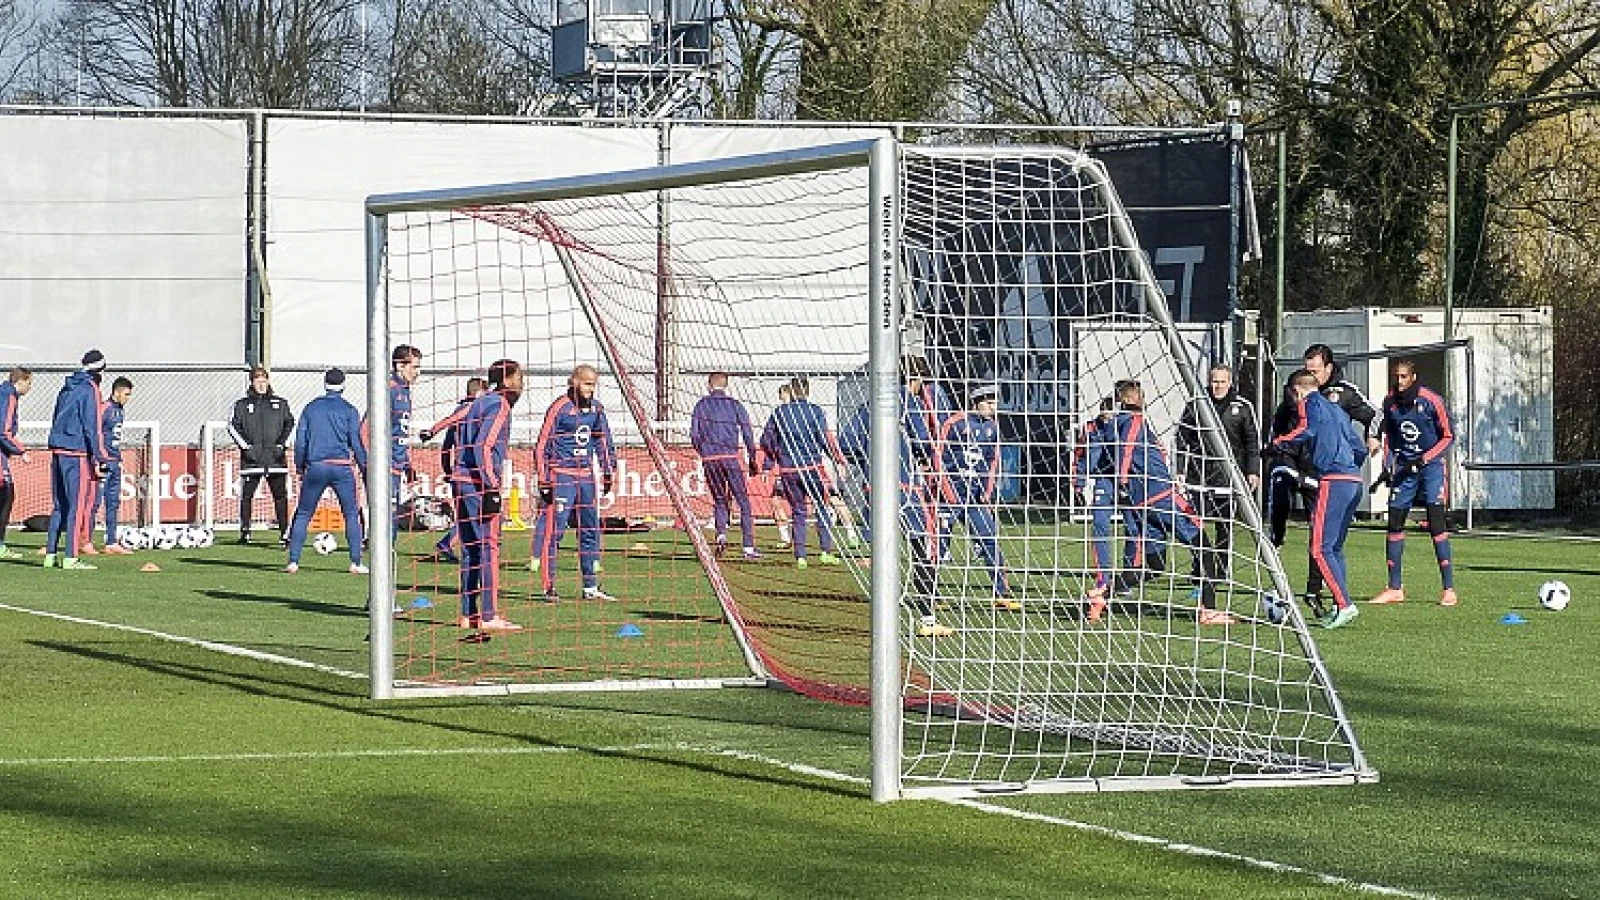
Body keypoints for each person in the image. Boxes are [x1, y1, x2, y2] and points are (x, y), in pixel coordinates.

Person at [1085, 379, 1227, 624]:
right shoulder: (1133, 421)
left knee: (1154, 565)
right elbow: (1127, 452)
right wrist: (1121, 482)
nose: (1144, 399)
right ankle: (1209, 610)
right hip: (1160, 495)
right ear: (1131, 399)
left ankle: (1101, 595)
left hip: (1143, 502)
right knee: (1203, 544)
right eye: (1140, 395)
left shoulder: (1113, 424)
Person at [1272, 368, 1368, 629]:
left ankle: (1346, 605)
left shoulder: (1308, 403)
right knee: (1334, 548)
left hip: (1333, 481)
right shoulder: (1336, 410)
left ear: (1296, 390)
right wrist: (1350, 466)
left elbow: (1306, 429)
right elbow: (1359, 447)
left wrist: (1278, 442)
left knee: (1319, 548)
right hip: (1353, 481)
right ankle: (1341, 604)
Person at [1370, 359, 1458, 607]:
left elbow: (1448, 436)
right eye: (1395, 377)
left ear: (1413, 377)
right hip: (1405, 469)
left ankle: (1448, 589)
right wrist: (1388, 465)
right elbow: (1389, 436)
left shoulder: (1431, 400)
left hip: (1430, 468)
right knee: (1395, 522)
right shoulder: (1390, 403)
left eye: (1403, 377)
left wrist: (1424, 459)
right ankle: (1394, 587)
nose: (1399, 382)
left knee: (1436, 521)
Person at [531, 364, 618, 601]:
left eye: (593, 385)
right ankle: (549, 588)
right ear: (574, 382)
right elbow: (541, 445)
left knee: (590, 529)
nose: (591, 389)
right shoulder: (559, 408)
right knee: (555, 532)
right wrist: (543, 480)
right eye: (587, 383)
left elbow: (603, 441)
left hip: (587, 477)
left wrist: (609, 473)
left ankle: (590, 587)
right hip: (561, 476)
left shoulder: (597, 410)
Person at [1175, 365, 1261, 596]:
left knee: (1224, 528)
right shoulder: (1197, 404)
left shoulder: (1243, 407)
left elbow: (1252, 442)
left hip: (1228, 478)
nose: (1218, 386)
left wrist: (1253, 471)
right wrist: (1181, 469)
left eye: (1222, 382)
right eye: (1214, 381)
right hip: (1198, 475)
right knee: (1196, 527)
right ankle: (1200, 573)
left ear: (1230, 382)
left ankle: (1221, 572)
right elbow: (1182, 438)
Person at [453, 361, 524, 634]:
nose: (521, 383)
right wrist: (492, 484)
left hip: (460, 479)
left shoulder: (478, 403)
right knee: (489, 547)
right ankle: (489, 615)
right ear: (507, 381)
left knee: (470, 548)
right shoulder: (500, 405)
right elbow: (483, 445)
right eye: (519, 377)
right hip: (477, 483)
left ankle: (468, 614)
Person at [935, 384, 1017, 609]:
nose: (993, 408)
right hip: (950, 495)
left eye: (995, 404)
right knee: (939, 544)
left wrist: (987, 493)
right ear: (976, 402)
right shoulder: (954, 423)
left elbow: (993, 461)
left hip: (975, 497)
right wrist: (947, 490)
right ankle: (930, 594)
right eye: (989, 403)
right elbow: (939, 457)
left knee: (989, 539)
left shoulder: (993, 428)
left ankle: (1001, 593)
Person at [284, 369, 367, 575]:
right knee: (350, 514)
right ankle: (355, 562)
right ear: (343, 385)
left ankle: (293, 561)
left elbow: (301, 441)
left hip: (316, 466)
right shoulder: (349, 410)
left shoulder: (311, 409)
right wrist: (364, 465)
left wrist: (300, 466)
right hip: (341, 466)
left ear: (325, 384)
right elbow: (356, 442)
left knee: (304, 513)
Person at [759, 376, 846, 569]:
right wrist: (838, 460)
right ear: (807, 391)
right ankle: (825, 552)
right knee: (821, 507)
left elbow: (766, 439)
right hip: (811, 468)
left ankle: (800, 557)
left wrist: (770, 463)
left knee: (798, 511)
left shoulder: (779, 412)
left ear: (791, 391)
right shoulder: (815, 411)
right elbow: (826, 439)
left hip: (788, 470)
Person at [1072, 395, 1147, 604]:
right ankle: (1103, 578)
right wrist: (1078, 481)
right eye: (1105, 414)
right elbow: (1080, 455)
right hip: (1103, 481)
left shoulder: (1129, 425)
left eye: (1112, 415)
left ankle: (1127, 579)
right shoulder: (1090, 429)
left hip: (1129, 481)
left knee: (1134, 528)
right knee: (1100, 527)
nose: (1108, 419)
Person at [1263, 376, 1327, 617]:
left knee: (1320, 535)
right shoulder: (1284, 411)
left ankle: (1314, 591)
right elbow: (1277, 439)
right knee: (1279, 504)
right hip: (1287, 464)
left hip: (1314, 469)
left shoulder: (1324, 407)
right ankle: (1273, 564)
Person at [44, 350, 114, 570]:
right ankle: (71, 557)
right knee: (76, 507)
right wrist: (102, 457)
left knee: (59, 507)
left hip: (57, 450)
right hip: (77, 454)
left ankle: (50, 555)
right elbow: (92, 427)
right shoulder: (90, 390)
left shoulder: (66, 387)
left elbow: (56, 416)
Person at [690, 372, 762, 559]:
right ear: (726, 385)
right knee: (744, 502)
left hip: (710, 460)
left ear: (709, 385)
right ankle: (748, 547)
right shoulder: (734, 404)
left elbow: (694, 434)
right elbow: (747, 432)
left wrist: (704, 453)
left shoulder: (701, 405)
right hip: (730, 456)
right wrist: (752, 458)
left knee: (720, 500)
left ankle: (721, 535)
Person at [420, 376, 487, 564]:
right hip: (471, 474)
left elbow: (446, 446)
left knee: (464, 517)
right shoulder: (475, 410)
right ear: (480, 393)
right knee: (479, 518)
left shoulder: (459, 411)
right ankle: (468, 552)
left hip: (457, 473)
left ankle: (448, 544)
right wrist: (432, 430)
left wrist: (448, 470)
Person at [228, 366, 295, 548]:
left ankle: (284, 533)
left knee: (280, 497)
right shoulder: (242, 405)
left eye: (264, 381)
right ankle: (245, 531)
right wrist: (247, 448)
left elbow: (290, 424)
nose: (261, 385)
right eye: (258, 381)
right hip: (252, 461)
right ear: (252, 382)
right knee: (247, 496)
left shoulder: (280, 404)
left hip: (276, 460)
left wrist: (281, 445)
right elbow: (233, 427)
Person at [362, 344, 422, 543]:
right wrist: (369, 460)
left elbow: (400, 432)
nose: (418, 372)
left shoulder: (405, 392)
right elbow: (365, 428)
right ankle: (381, 552)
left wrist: (407, 464)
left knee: (392, 511)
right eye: (414, 367)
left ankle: (386, 550)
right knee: (387, 510)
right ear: (399, 366)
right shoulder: (387, 391)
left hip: (397, 464)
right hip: (383, 465)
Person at [85, 377, 135, 555]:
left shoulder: (119, 410)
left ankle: (111, 542)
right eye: (127, 394)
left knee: (113, 503)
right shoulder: (104, 408)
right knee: (95, 502)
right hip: (103, 461)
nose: (128, 398)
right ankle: (87, 541)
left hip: (115, 462)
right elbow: (95, 433)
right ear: (118, 391)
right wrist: (97, 460)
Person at [0, 368, 34, 560]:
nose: (30, 388)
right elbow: (3, 432)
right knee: (6, 497)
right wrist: (21, 450)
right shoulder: (8, 396)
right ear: (20, 381)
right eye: (29, 383)